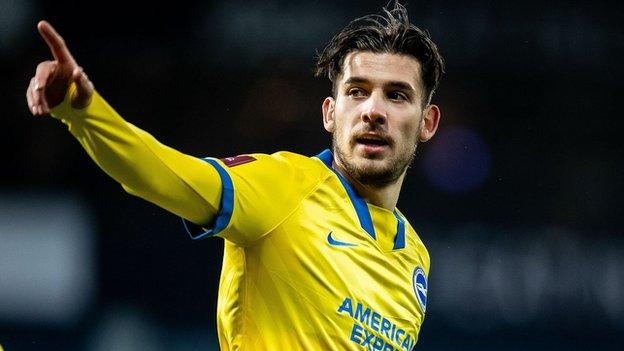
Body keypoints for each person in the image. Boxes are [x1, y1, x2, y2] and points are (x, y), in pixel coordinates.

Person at [26, 2, 444, 350]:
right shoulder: (284, 186)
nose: (373, 110)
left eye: (397, 95)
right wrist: (84, 112)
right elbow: (163, 174)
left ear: (427, 122)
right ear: (330, 114)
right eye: (356, 91)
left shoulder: (415, 261)